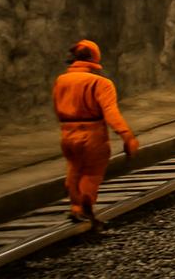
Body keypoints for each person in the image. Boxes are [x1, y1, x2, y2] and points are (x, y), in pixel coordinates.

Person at [52, 40, 140, 226]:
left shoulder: (61, 81)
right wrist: (127, 136)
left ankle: (75, 207)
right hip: (92, 133)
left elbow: (56, 106)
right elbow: (111, 113)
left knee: (74, 168)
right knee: (92, 172)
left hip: (67, 133)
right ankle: (86, 205)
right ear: (95, 58)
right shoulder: (101, 83)